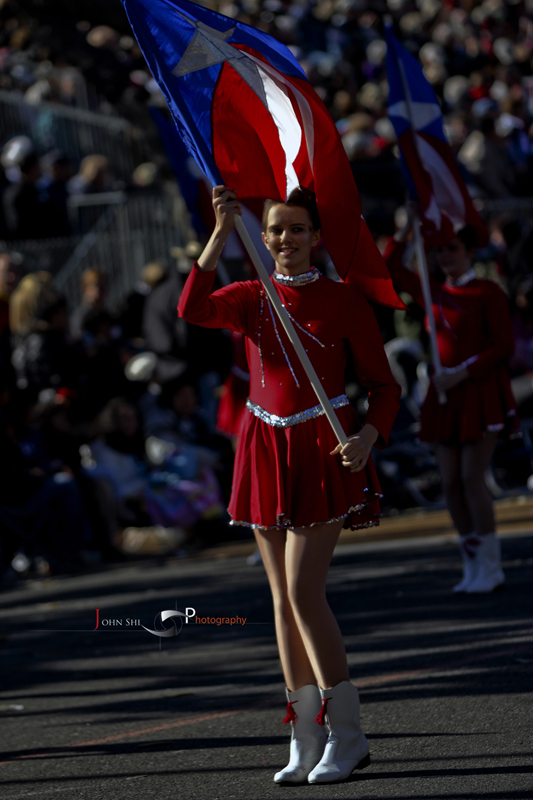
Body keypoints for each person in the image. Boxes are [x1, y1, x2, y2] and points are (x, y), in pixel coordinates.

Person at [178, 185, 400, 784]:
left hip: (323, 448)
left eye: (296, 229)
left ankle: (347, 735)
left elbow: (385, 386)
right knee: (280, 600)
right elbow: (192, 309)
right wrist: (221, 234)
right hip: (263, 446)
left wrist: (368, 437)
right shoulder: (252, 294)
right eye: (275, 230)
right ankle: (305, 735)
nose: (284, 239)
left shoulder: (344, 300)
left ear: (315, 237)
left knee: (304, 593)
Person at [385, 224, 519, 594]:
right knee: (449, 483)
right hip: (444, 397)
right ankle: (472, 562)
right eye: (440, 250)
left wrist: (463, 372)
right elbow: (390, 268)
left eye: (453, 249)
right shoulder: (432, 291)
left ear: (470, 252)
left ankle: (492, 567)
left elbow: (504, 346)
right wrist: (405, 230)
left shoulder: (488, 291)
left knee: (470, 478)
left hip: (478, 393)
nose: (445, 256)